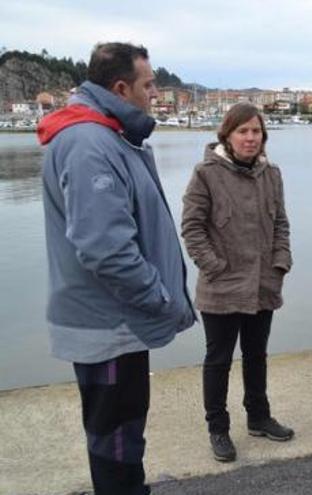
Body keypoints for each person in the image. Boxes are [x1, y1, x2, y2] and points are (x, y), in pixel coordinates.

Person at [37, 42, 196, 495]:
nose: (153, 95)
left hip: (114, 322)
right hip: (109, 326)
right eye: (148, 85)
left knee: (120, 436)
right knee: (117, 441)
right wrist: (158, 297)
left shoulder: (104, 135)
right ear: (121, 88)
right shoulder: (90, 144)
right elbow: (106, 250)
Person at [181, 102, 294, 462]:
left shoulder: (271, 174)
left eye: (256, 131)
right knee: (218, 360)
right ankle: (218, 428)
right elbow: (192, 228)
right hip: (221, 285)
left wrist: (280, 263)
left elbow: (281, 224)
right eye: (243, 131)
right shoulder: (205, 174)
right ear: (227, 136)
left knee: (256, 355)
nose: (250, 138)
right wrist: (214, 266)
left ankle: (259, 417)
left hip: (263, 282)